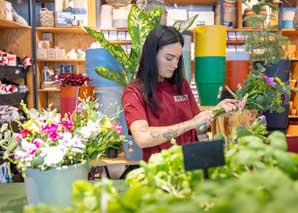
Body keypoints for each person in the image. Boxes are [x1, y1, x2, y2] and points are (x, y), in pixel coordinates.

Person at [122, 25, 238, 161]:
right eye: (169, 58)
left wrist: (215, 112)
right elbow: (143, 138)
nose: (175, 65)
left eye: (178, 59)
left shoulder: (181, 85)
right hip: (163, 170)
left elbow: (198, 128)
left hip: (193, 163)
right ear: (151, 55)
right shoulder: (134, 92)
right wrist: (191, 123)